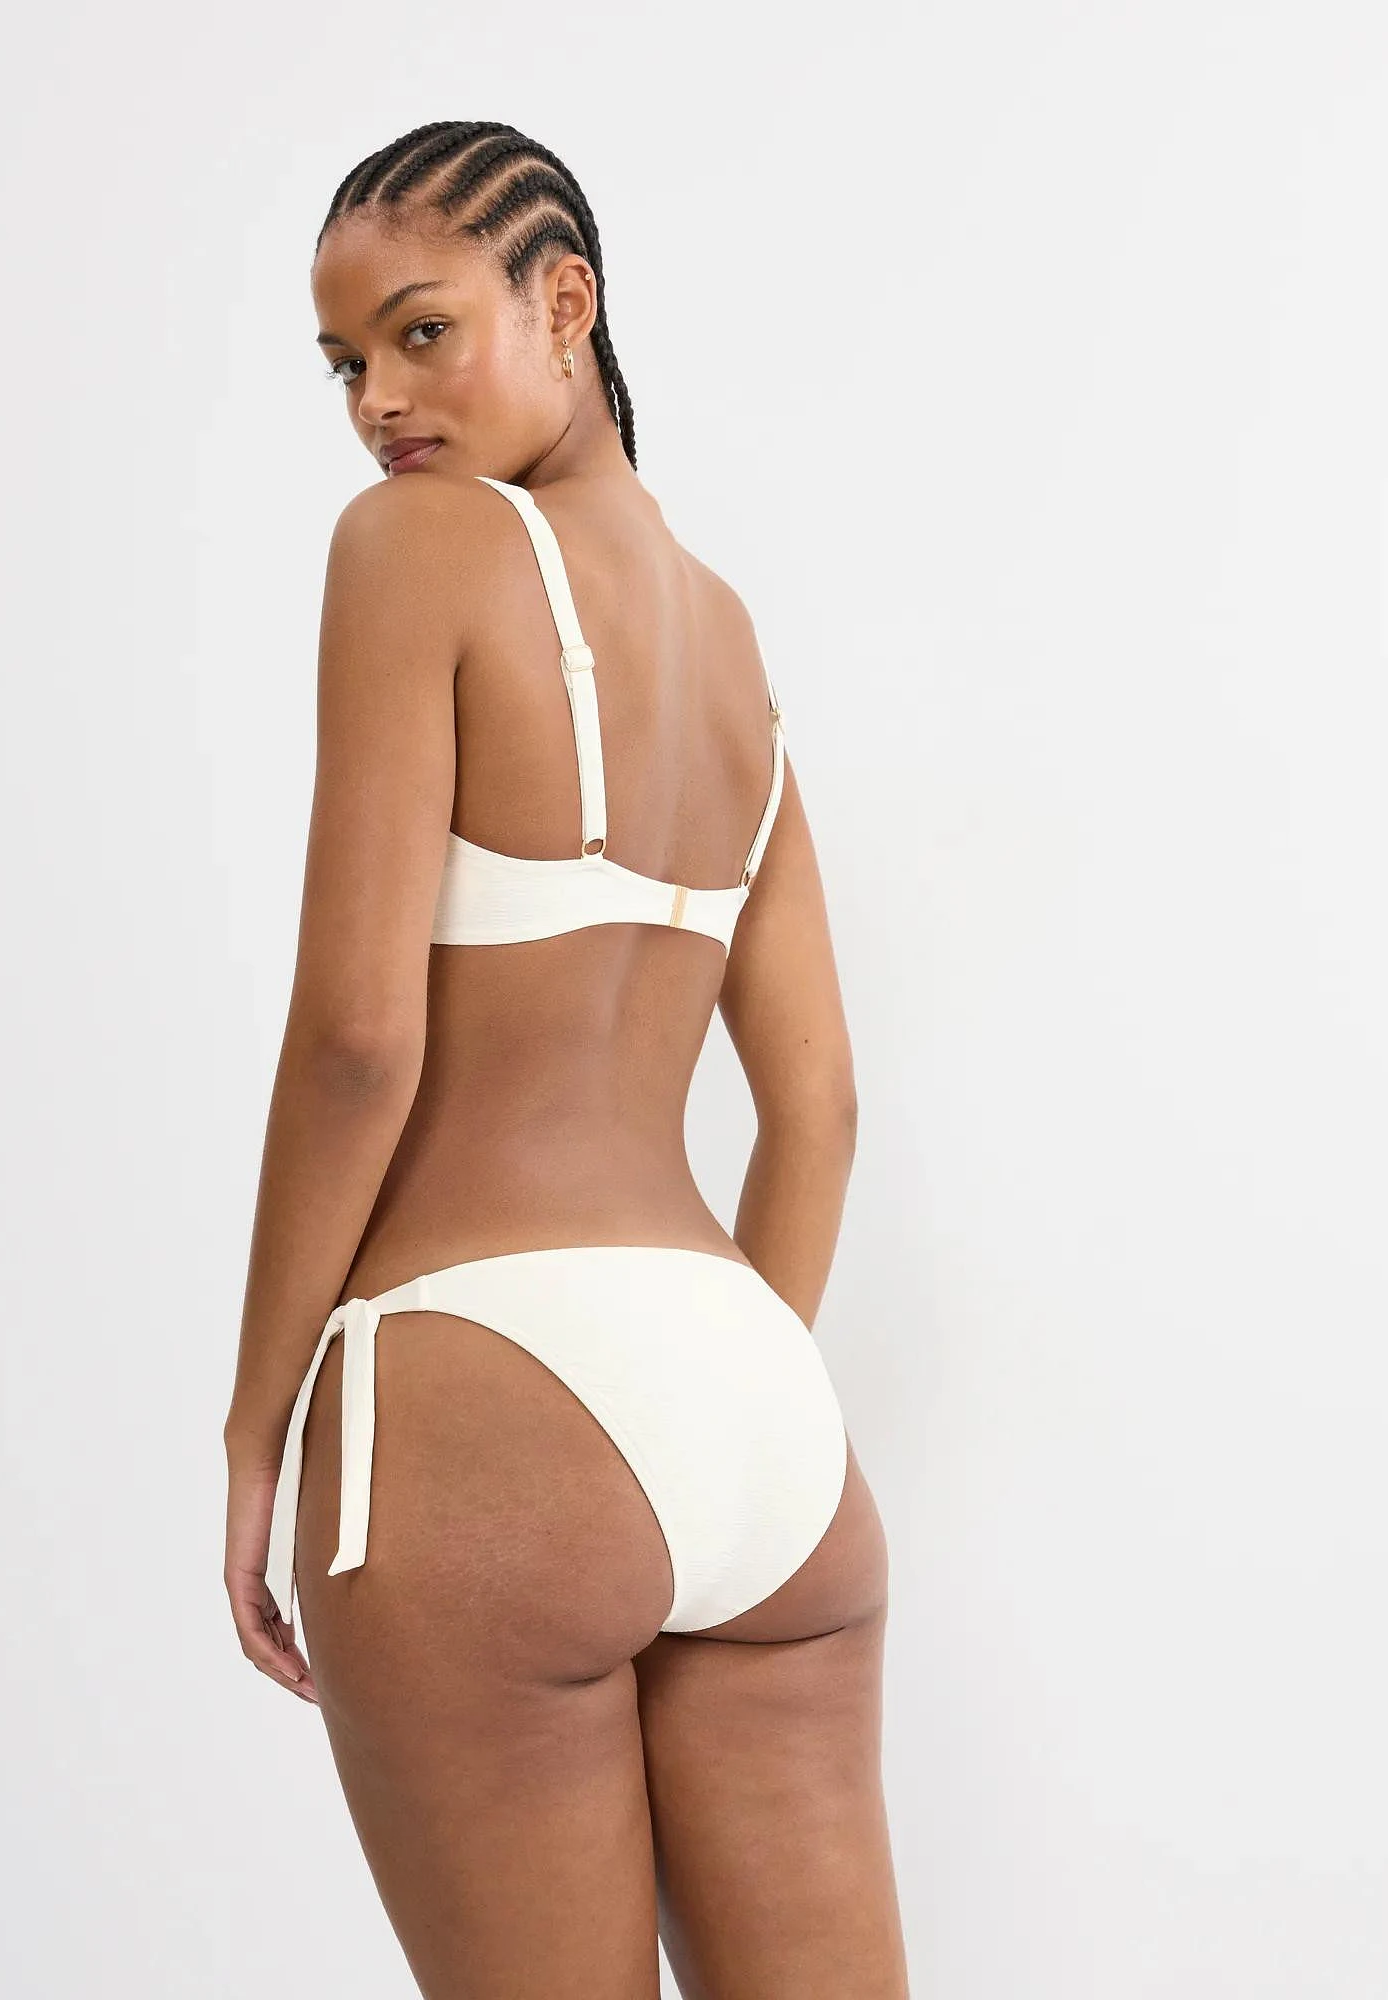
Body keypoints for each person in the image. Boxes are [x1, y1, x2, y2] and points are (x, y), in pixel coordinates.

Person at [222, 119, 911, 1998]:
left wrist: (255, 1426)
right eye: (342, 364)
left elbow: (359, 1041)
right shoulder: (732, 638)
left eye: (420, 333)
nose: (377, 402)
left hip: (478, 1395)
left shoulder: (416, 548)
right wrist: (714, 1412)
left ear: (565, 302)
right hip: (762, 1427)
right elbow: (819, 1106)